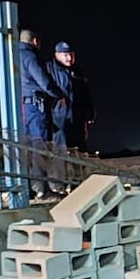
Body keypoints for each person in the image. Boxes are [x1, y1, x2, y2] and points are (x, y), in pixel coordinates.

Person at [17, 29, 65, 199]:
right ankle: (42, 189)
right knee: (40, 147)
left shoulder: (13, 54)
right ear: (35, 41)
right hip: (35, 107)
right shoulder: (30, 56)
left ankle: (28, 187)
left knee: (27, 148)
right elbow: (43, 80)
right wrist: (59, 95)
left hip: (22, 107)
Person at [46, 41, 97, 190]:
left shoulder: (77, 71)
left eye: (71, 54)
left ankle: (78, 184)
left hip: (77, 118)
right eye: (65, 55)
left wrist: (90, 112)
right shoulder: (49, 70)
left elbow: (86, 94)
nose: (69, 58)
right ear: (57, 55)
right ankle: (59, 186)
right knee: (59, 152)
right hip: (59, 119)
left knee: (80, 152)